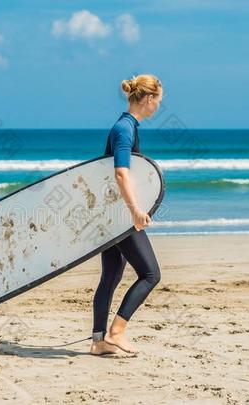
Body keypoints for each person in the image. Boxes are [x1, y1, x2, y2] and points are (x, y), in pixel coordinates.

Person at [90, 74, 164, 355]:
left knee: (111, 275)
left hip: (111, 212)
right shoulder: (125, 129)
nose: (157, 106)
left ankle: (98, 342)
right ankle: (117, 331)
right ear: (148, 99)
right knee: (150, 274)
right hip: (120, 215)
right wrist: (135, 212)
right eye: (157, 100)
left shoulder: (127, 126)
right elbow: (121, 173)